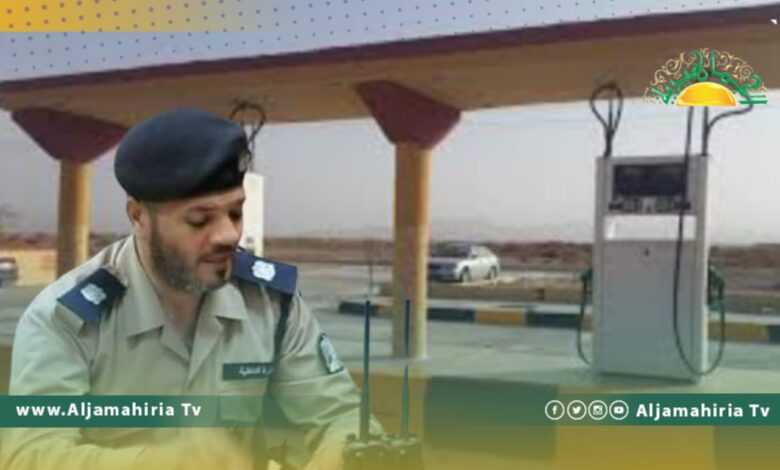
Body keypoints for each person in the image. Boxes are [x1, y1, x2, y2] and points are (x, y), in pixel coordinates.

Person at [1, 108, 378, 470]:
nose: (228, 235)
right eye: (199, 220)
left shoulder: (272, 304)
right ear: (138, 216)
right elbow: (29, 456)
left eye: (235, 212)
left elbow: (342, 417)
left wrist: (346, 453)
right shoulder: (65, 317)